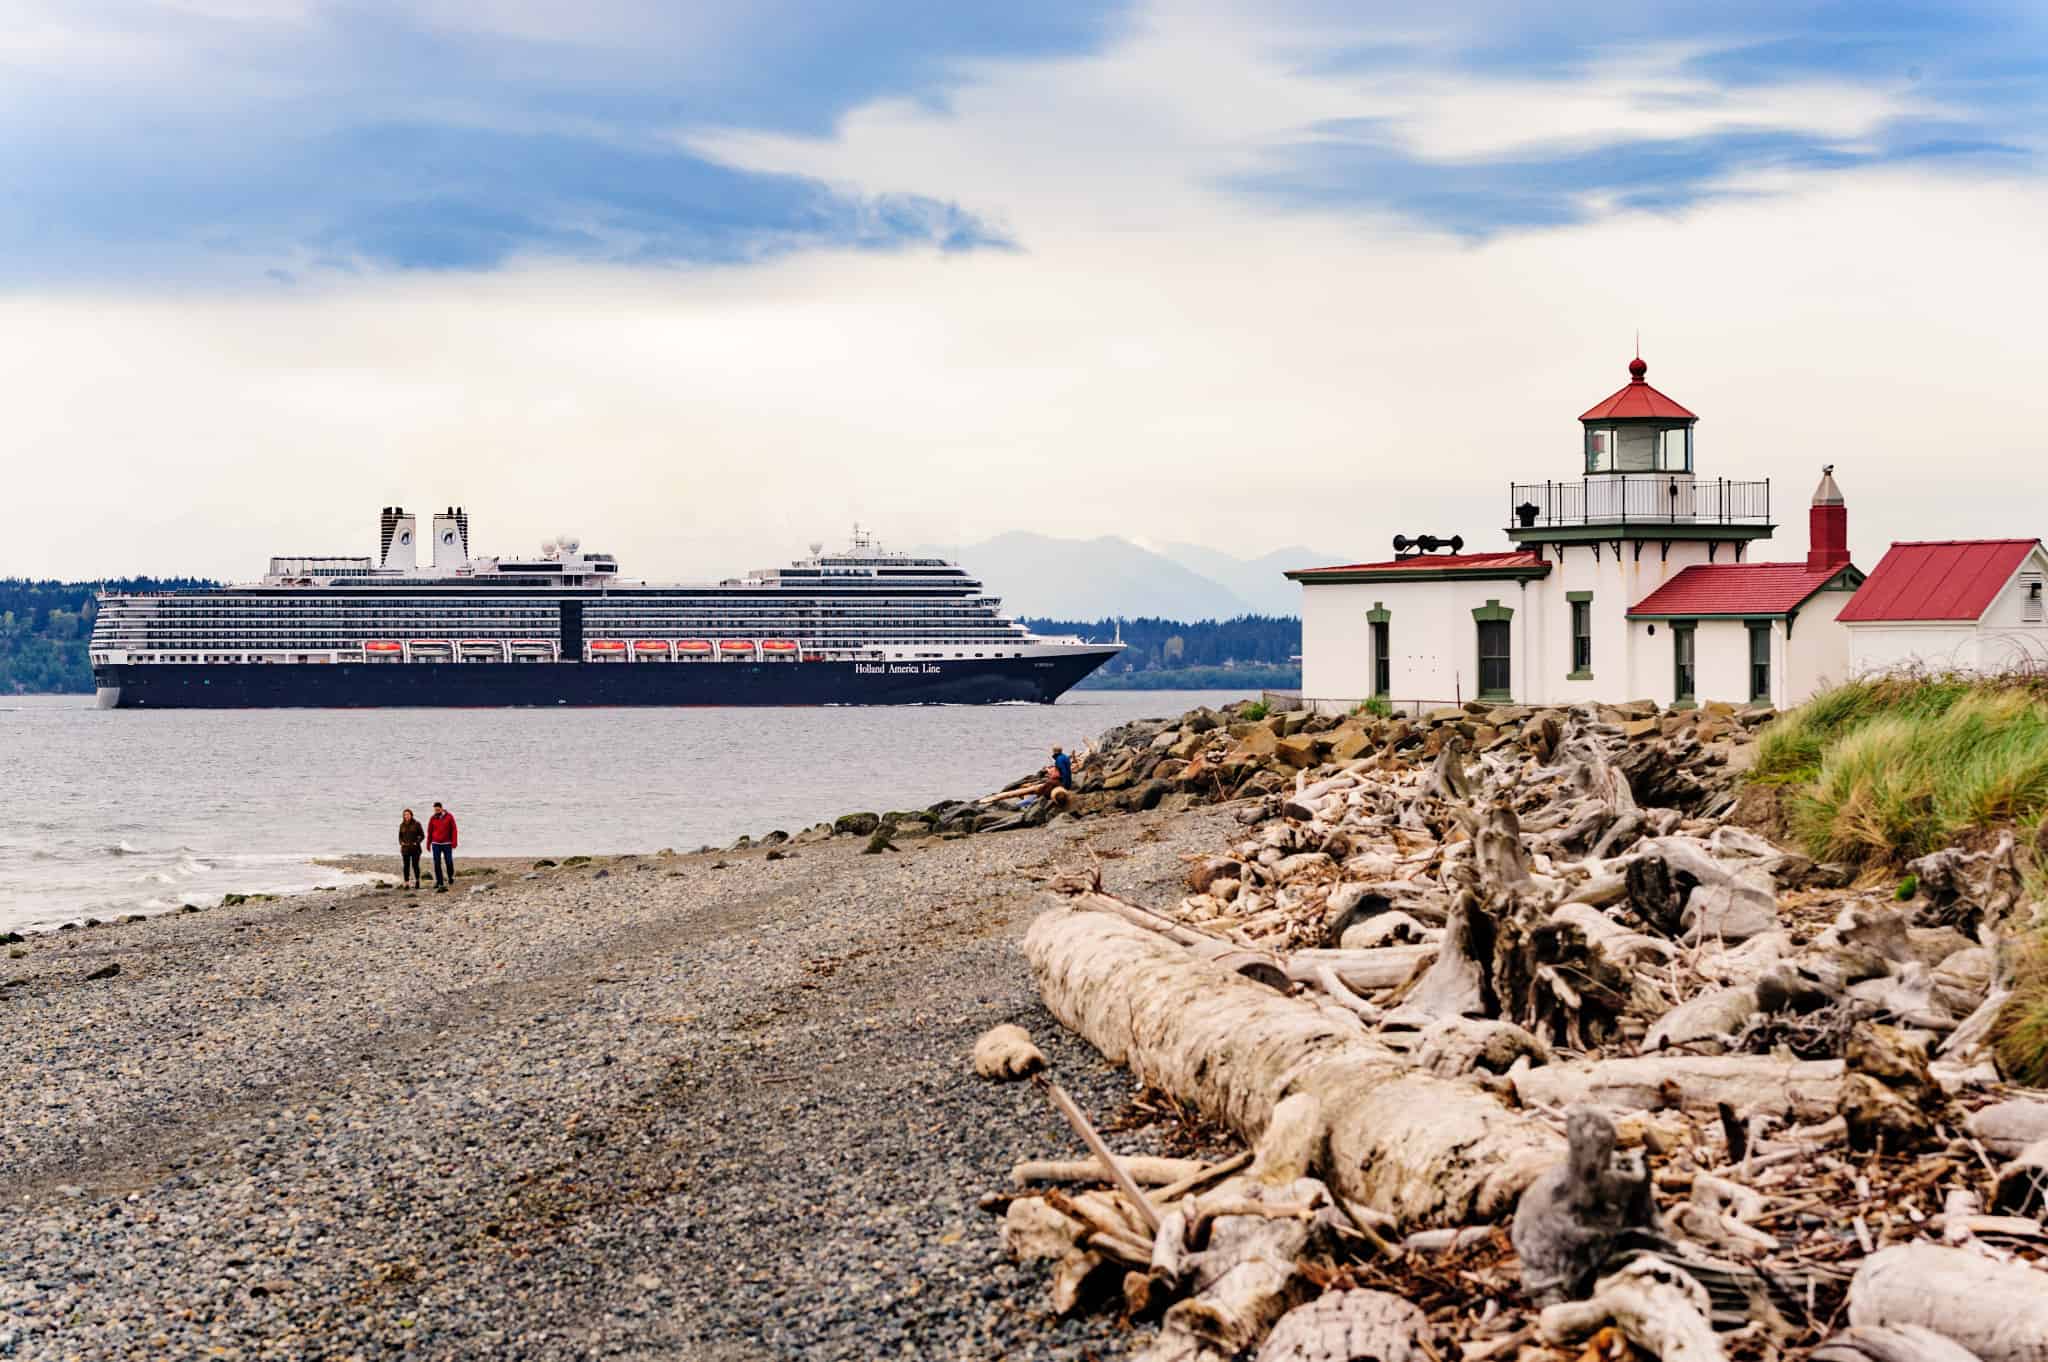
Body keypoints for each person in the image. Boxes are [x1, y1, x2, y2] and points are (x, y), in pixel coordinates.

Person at [427, 801, 459, 892]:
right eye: (435, 810)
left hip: (447, 843)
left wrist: (454, 841)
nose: (436, 811)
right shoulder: (432, 818)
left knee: (449, 861)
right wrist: (428, 844)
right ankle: (439, 881)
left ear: (441, 808)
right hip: (436, 844)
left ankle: (450, 876)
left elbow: (454, 829)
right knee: (437, 863)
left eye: (438, 809)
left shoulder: (449, 816)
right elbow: (429, 832)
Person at [397, 808, 424, 889]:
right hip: (405, 849)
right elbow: (400, 836)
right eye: (405, 815)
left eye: (408, 814)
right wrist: (401, 842)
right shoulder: (402, 825)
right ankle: (406, 882)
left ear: (411, 815)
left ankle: (417, 881)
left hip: (415, 849)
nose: (406, 816)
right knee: (406, 866)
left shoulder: (417, 824)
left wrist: (417, 842)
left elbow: (422, 835)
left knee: (415, 865)